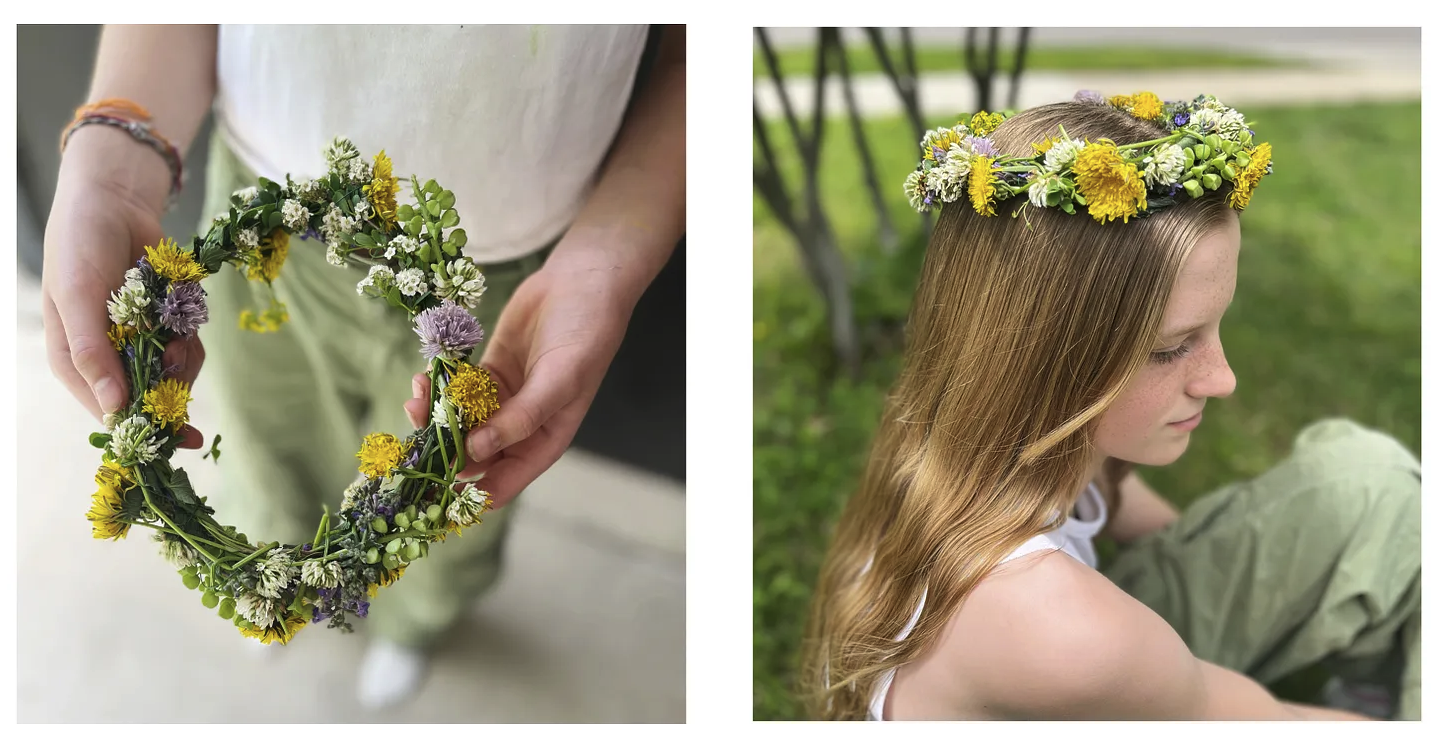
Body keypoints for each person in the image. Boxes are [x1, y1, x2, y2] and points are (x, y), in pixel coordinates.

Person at [43, 24, 684, 707]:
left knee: (452, 494)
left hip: (513, 277)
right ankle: (272, 590)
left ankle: (415, 623)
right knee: (267, 443)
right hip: (264, 225)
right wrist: (110, 172)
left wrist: (612, 253)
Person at [798, 95, 1419, 720]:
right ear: (1039, 358)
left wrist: (1243, 560)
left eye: (1214, 328)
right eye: (1172, 349)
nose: (1223, 380)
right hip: (1111, 662)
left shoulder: (963, 437)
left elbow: (1122, 509)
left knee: (1373, 482)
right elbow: (1277, 722)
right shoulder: (1074, 636)